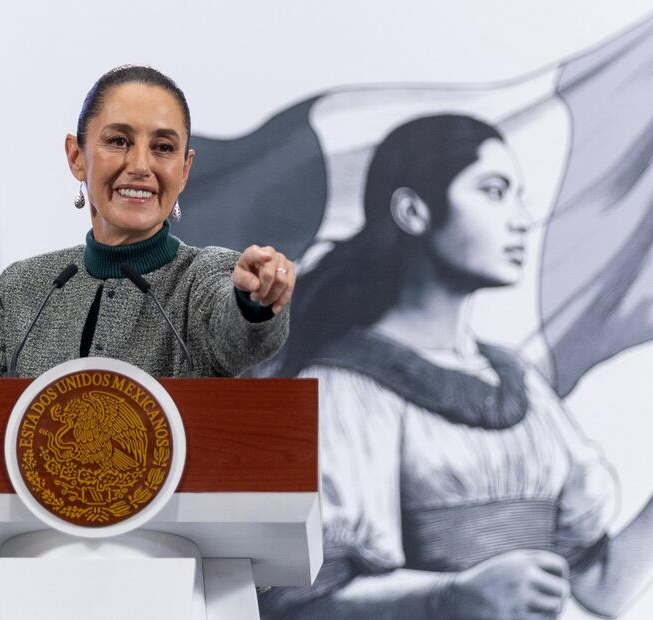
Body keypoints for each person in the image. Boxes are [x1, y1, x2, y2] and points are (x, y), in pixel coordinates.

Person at [258, 114, 653, 619]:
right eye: (494, 192)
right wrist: (451, 595)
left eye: (518, 196)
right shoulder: (343, 388)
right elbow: (299, 603)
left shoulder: (521, 384)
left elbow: (599, 587)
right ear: (413, 211)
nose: (521, 219)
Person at [0, 65, 295, 478]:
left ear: (184, 170)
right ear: (76, 157)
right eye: (119, 141)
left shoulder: (204, 275)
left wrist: (254, 301)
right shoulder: (25, 287)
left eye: (163, 147)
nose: (140, 165)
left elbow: (237, 333)